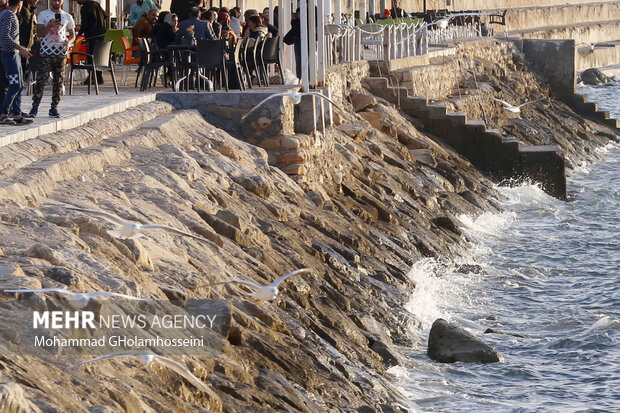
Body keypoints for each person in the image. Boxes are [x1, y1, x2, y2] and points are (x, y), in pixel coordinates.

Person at [26, 0, 74, 118]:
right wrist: (49, 26)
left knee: (58, 80)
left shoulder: (67, 16)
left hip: (60, 51)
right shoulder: (43, 15)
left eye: (59, 0)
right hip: (46, 51)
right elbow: (40, 33)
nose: (56, 2)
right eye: (54, 0)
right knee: (41, 79)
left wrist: (69, 42)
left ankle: (54, 107)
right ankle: (35, 107)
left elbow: (72, 34)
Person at [0, 0, 33, 125]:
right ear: (20, 3)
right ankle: (4, 113)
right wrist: (21, 48)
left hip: (15, 54)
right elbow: (4, 37)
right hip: (9, 55)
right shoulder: (8, 15)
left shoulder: (8, 14)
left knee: (19, 84)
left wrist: (21, 49)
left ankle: (17, 114)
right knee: (14, 85)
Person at [76, 0, 105, 84]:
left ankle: (93, 76)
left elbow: (84, 23)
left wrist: (79, 34)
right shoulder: (96, 4)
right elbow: (105, 15)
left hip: (92, 36)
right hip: (101, 35)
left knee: (90, 57)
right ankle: (98, 76)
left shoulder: (85, 7)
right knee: (98, 56)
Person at [283, 8, 301, 80]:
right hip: (298, 41)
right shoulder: (296, 21)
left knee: (301, 61)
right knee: (299, 61)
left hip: (303, 41)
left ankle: (302, 77)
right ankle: (300, 77)